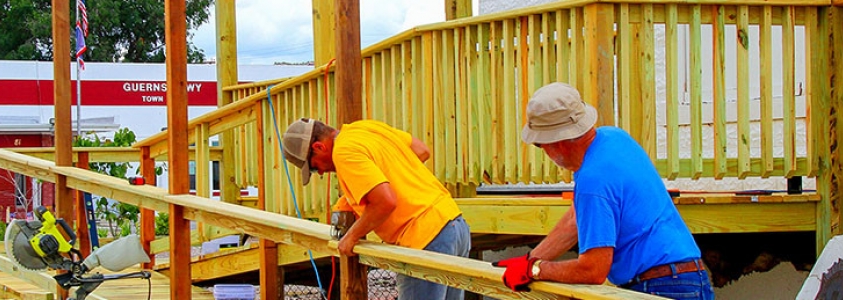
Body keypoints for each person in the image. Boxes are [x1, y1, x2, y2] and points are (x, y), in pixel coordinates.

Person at [492, 82, 714, 299]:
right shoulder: (614, 139)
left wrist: (536, 270)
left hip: (659, 287)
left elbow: (592, 269)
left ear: (556, 142)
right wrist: (530, 259)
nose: (545, 153)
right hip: (690, 278)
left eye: (540, 145)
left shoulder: (592, 180)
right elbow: (575, 219)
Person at [282, 118, 471, 300]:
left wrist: (351, 237)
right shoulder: (364, 129)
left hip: (425, 238)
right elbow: (421, 151)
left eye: (314, 167)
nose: (321, 172)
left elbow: (385, 202)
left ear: (319, 147)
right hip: (454, 224)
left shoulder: (343, 152)